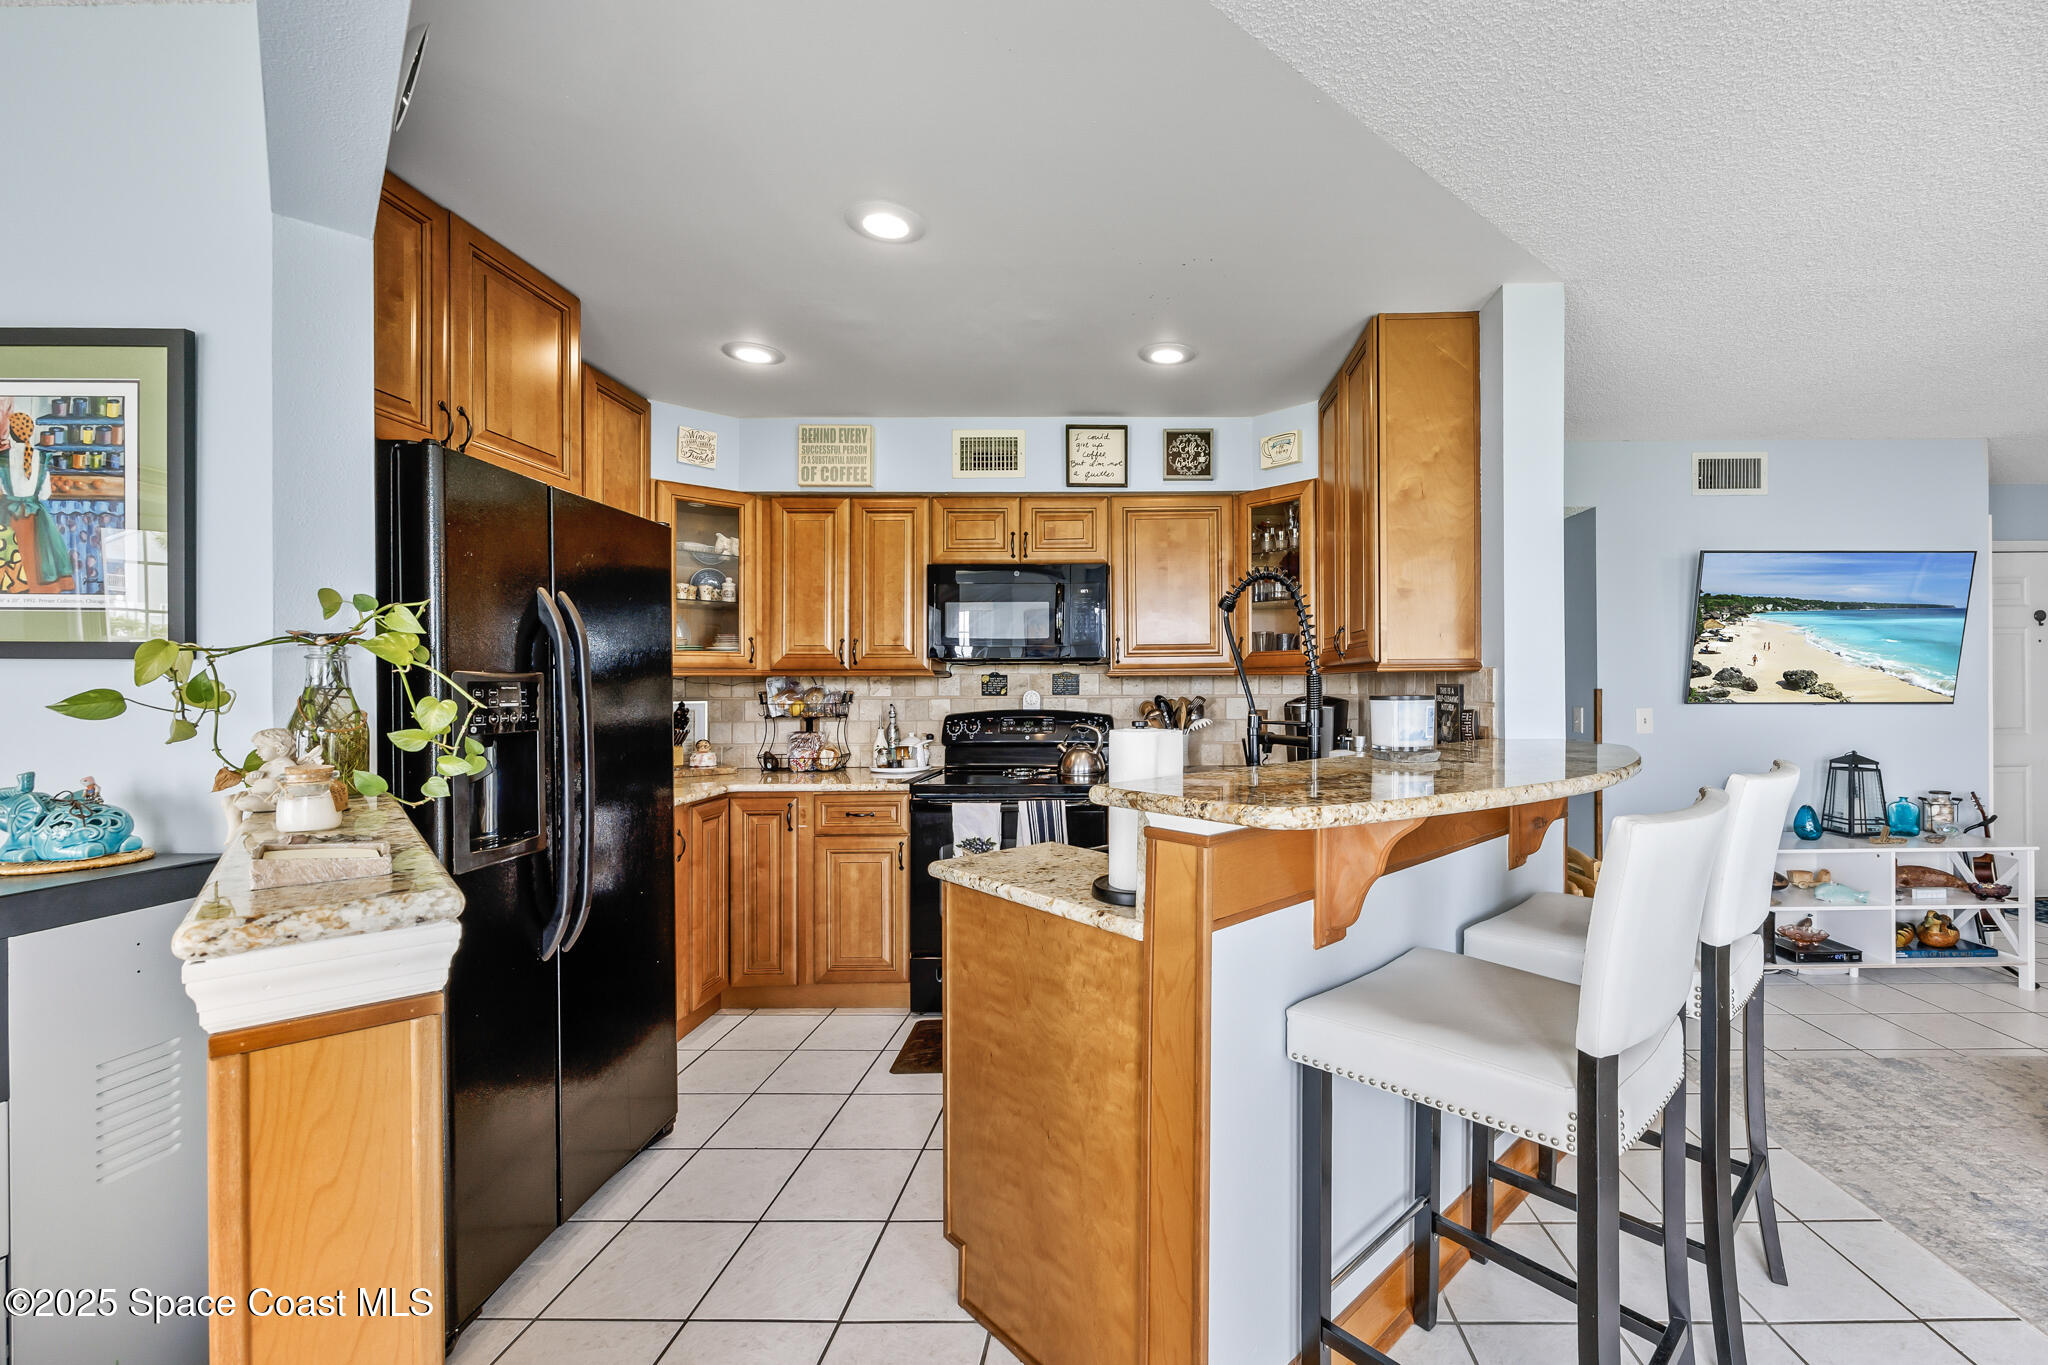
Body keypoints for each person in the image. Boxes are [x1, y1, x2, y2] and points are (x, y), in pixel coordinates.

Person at [0, 398, 76, 595]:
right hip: (35, 515)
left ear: (12, 432)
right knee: (38, 556)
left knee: (11, 556)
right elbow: (45, 494)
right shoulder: (42, 457)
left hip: (9, 515)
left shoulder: (2, 458)